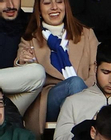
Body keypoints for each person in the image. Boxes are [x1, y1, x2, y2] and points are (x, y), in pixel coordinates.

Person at [14, 0, 95, 128]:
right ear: (39, 9)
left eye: (59, 2)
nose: (54, 7)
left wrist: (83, 89)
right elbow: (21, 76)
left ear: (66, 6)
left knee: (74, 91)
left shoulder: (86, 34)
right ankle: (85, 133)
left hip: (86, 93)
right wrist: (23, 61)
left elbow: (96, 70)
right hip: (49, 101)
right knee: (75, 83)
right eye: (47, 3)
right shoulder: (30, 39)